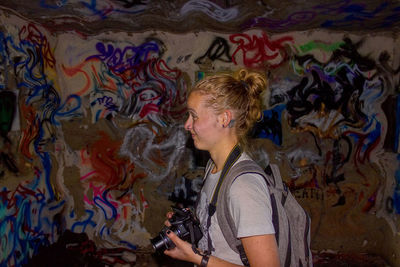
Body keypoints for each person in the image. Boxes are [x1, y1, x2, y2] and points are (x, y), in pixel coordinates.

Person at [164, 69, 280, 267]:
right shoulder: (214, 167)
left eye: (194, 116)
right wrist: (190, 227)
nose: (187, 125)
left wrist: (197, 258)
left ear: (224, 119)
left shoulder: (244, 186)